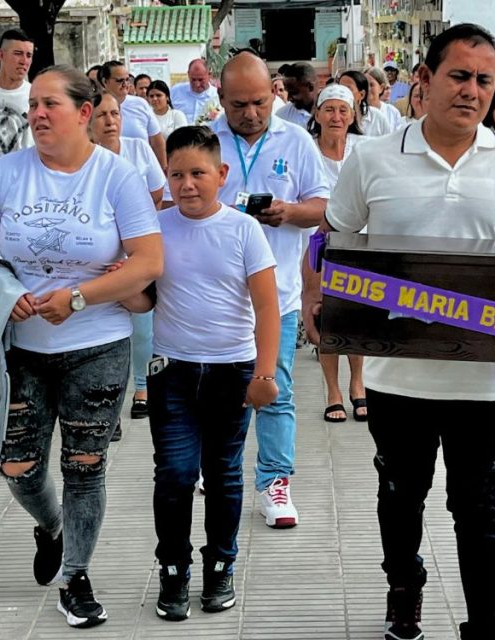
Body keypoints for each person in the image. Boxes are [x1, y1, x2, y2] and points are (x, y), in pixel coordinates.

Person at [306, 24, 495, 640]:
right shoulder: (373, 157)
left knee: (479, 512)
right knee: (401, 498)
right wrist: (316, 298)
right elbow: (330, 240)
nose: (472, 91)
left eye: (484, 79)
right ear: (423, 79)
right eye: (459, 75)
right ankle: (405, 592)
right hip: (398, 378)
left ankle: (487, 626)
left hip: (486, 381)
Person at [0, 65, 163, 628]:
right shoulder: (5, 174)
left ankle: (75, 576)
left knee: (84, 466)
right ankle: (51, 527)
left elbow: (149, 261)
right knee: (16, 464)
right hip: (19, 346)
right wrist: (5, 291)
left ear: (84, 111)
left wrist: (78, 297)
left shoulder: (116, 177)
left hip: (97, 344)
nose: (38, 114)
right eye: (33, 105)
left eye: (50, 103)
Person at [112, 126, 280, 621]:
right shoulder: (156, 228)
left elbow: (267, 307)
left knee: (224, 474)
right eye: (177, 174)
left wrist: (265, 374)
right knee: (176, 473)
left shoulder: (244, 229)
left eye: (198, 174)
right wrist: (119, 286)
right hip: (172, 370)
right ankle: (173, 570)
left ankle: (221, 566)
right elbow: (145, 298)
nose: (187, 184)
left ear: (221, 175)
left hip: (233, 370)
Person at [214, 52, 330, 529]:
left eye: (259, 102)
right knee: (220, 391)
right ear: (220, 99)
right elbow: (178, 199)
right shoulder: (206, 141)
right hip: (217, 294)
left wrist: (289, 213)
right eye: (238, 104)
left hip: (276, 294)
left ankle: (275, 482)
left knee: (274, 388)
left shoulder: (297, 140)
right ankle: (219, 468)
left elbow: (323, 206)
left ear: (274, 94)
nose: (250, 113)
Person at [90, 90, 166, 423]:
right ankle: (107, 406)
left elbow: (156, 194)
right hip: (99, 256)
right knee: (101, 331)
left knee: (142, 326)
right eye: (102, 115)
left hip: (135, 250)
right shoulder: (84, 159)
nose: (110, 121)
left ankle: (142, 388)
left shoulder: (136, 148)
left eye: (115, 114)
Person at [307, 84, 367, 424]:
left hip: (358, 243)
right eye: (329, 109)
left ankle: (358, 383)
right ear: (317, 115)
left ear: (353, 115)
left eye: (343, 110)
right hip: (320, 241)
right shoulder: (307, 150)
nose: (336, 117)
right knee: (326, 315)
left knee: (355, 315)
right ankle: (333, 391)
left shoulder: (363, 149)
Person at [99, 60, 167, 169]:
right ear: (105, 82)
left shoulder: (140, 104)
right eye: (120, 80)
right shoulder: (96, 107)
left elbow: (157, 142)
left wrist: (163, 169)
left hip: (141, 172)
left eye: (127, 80)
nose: (125, 84)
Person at [338, 70, 391, 136]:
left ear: (362, 94)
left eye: (348, 89)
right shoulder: (336, 117)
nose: (342, 93)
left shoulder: (377, 118)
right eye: (340, 89)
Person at [170, 58, 220, 124]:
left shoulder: (217, 97)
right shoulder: (175, 92)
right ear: (188, 74)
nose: (197, 84)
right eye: (193, 80)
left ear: (209, 75)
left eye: (201, 80)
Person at [276, 62, 318, 129]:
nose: (289, 98)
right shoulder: (281, 117)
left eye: (293, 93)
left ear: (310, 87)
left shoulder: (331, 114)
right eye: (287, 91)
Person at [366, 67, 404, 131]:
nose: (367, 89)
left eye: (371, 85)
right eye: (364, 84)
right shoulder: (359, 112)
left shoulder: (392, 112)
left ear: (381, 88)